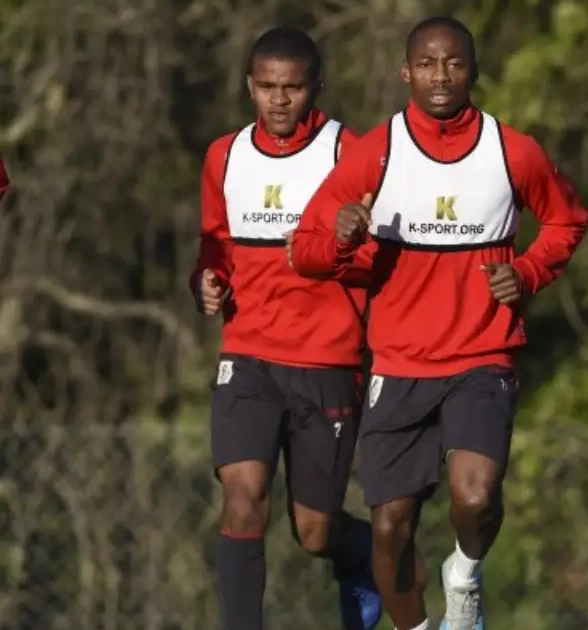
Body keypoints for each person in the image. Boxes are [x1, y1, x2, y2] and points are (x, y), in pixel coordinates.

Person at [290, 16, 588, 630]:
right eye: (427, 64)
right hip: (399, 365)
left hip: (483, 356)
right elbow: (305, 250)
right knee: (389, 530)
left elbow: (567, 220)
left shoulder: (513, 151)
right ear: (406, 72)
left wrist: (528, 273)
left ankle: (466, 575)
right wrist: (342, 238)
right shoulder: (377, 152)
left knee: (475, 498)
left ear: (473, 70)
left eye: (454, 63)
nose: (441, 76)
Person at [190, 26, 382, 630]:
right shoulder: (224, 156)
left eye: (292, 88)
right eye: (267, 86)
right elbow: (215, 246)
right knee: (243, 496)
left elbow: (380, 259)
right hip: (248, 357)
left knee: (314, 532)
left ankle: (365, 553)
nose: (278, 100)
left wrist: (344, 243)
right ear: (249, 85)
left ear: (316, 87)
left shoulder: (349, 153)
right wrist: (206, 281)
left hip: (327, 363)